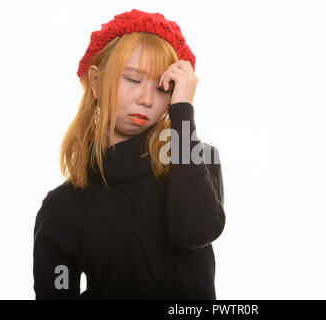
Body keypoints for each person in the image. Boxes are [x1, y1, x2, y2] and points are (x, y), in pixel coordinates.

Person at [32, 9, 226, 300]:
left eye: (163, 88)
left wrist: (182, 114)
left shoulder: (197, 160)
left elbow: (194, 231)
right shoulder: (62, 206)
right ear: (96, 82)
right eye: (134, 80)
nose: (146, 99)